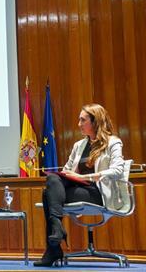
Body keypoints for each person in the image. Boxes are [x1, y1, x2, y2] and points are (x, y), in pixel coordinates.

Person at [34, 104, 125, 267]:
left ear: (95, 121)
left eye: (83, 120)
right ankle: (56, 230)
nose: (79, 124)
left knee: (48, 194)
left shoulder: (113, 142)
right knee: (53, 180)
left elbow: (118, 170)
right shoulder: (79, 145)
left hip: (98, 193)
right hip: (77, 189)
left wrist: (84, 176)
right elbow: (68, 171)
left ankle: (53, 247)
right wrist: (66, 175)